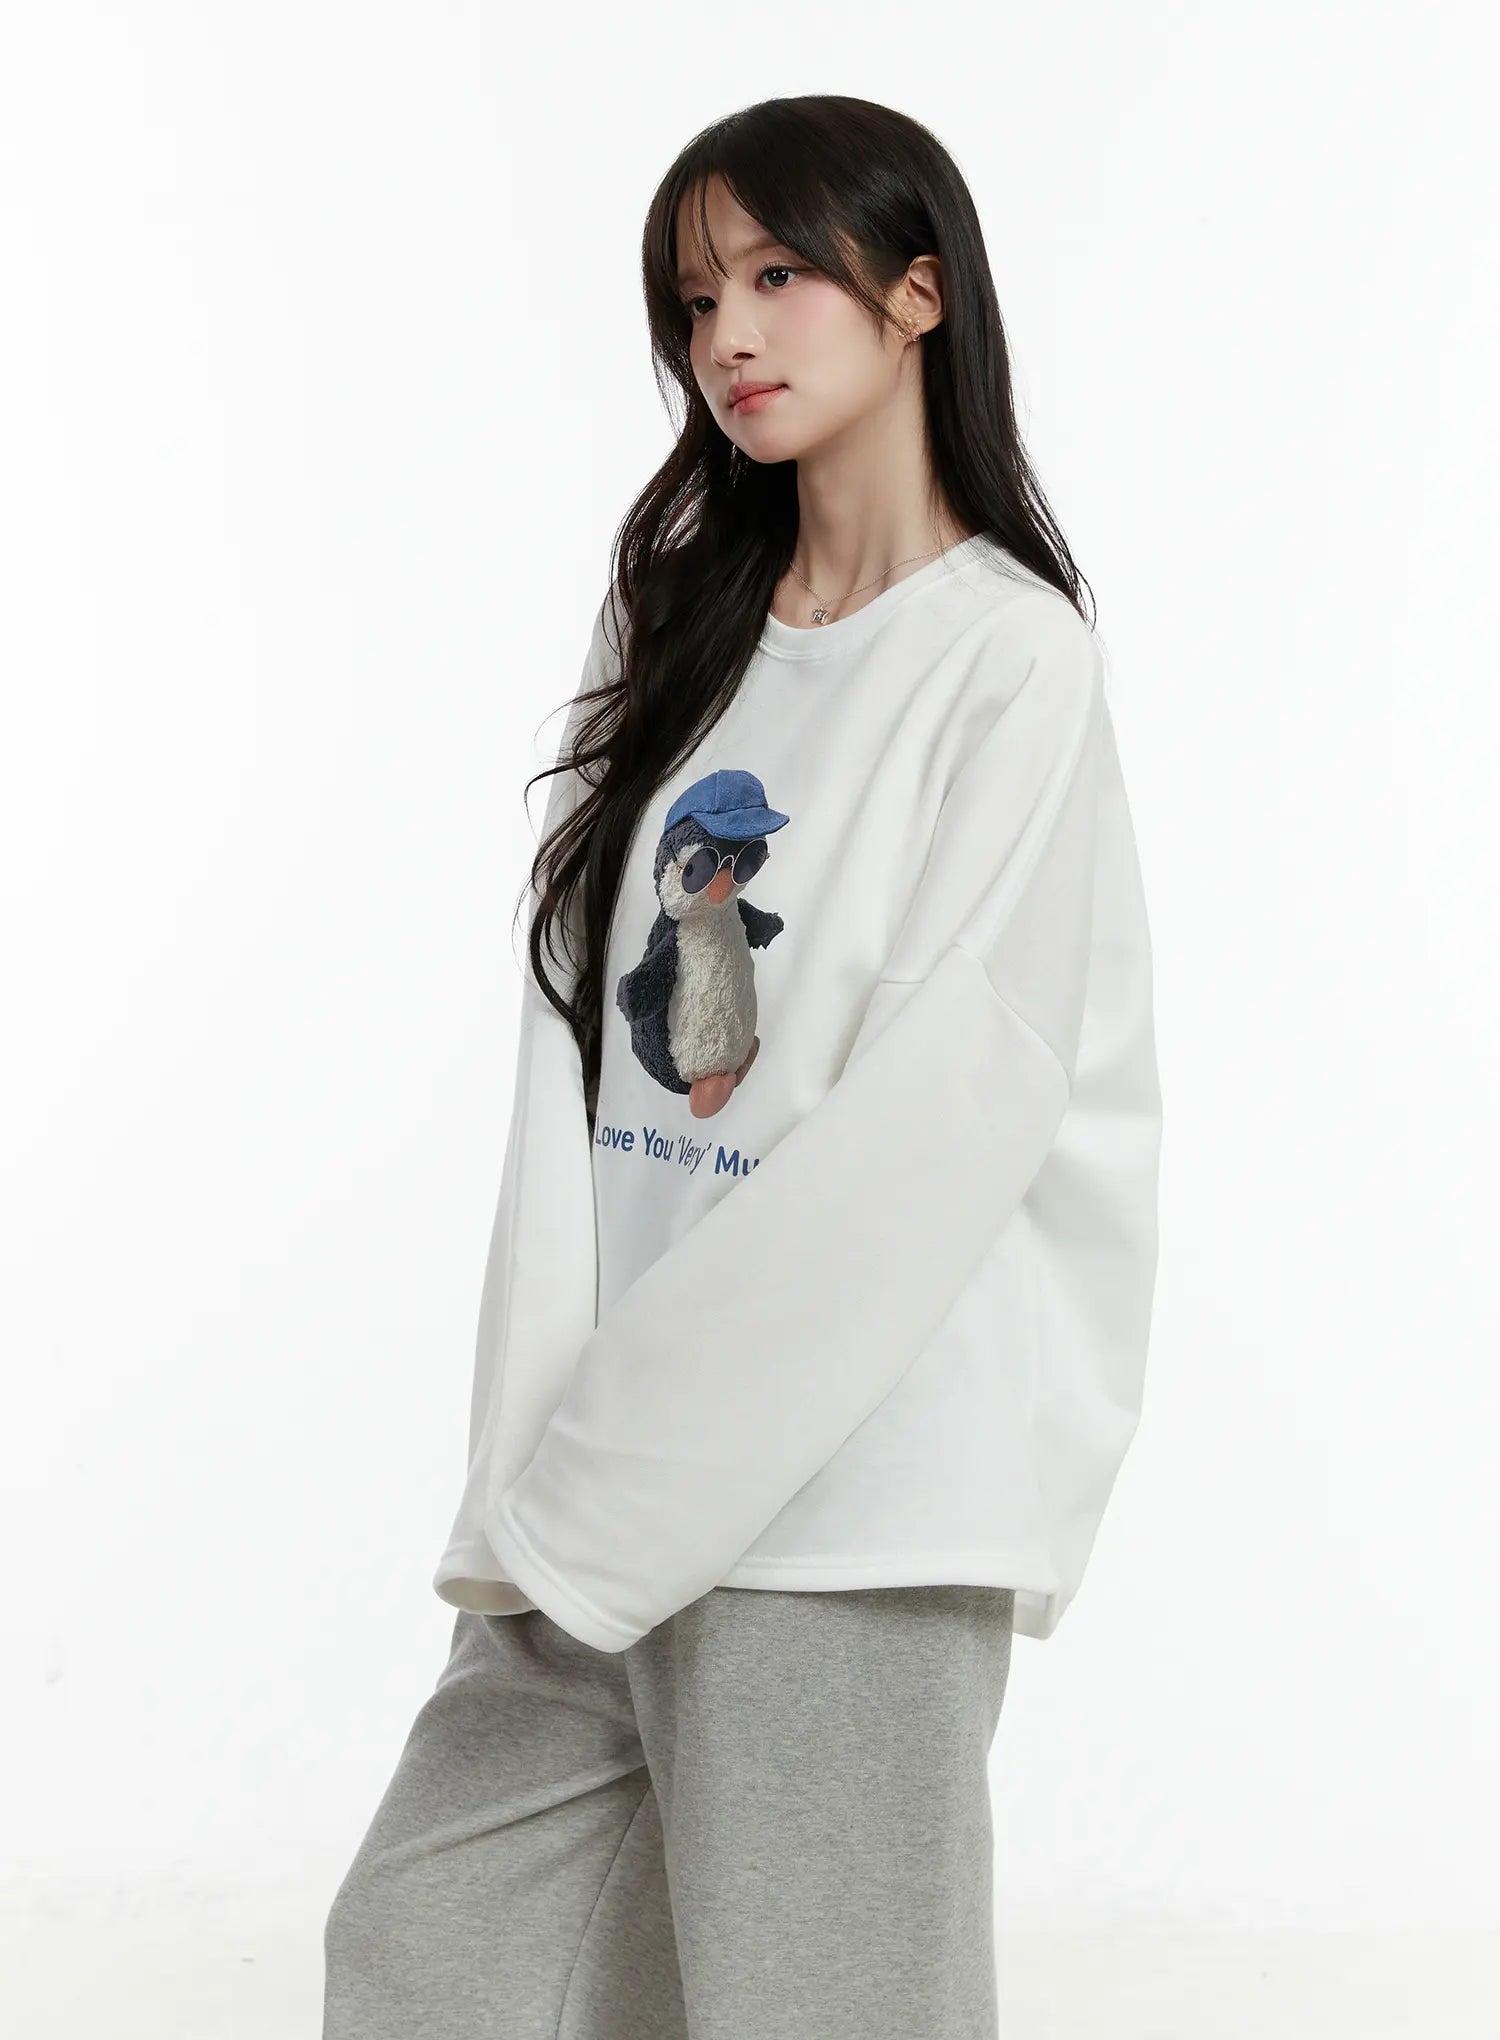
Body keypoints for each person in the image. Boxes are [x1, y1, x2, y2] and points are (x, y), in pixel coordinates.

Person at [323, 93, 1162, 2040]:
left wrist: (620, 1470)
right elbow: (572, 1067)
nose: (731, 336)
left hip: (852, 1499)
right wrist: (546, 1457)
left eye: (781, 275)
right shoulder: (681, 615)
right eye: (698, 299)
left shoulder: (1009, 662)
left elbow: (946, 1118)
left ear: (920, 294)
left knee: (824, 2008)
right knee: (425, 1952)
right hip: (604, 1478)